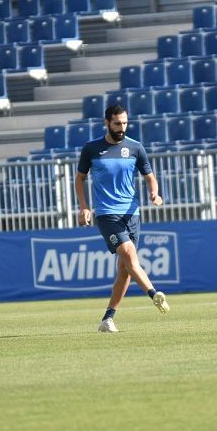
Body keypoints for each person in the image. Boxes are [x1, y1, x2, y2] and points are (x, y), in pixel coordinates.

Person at [75, 104, 169, 333]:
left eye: (125, 123)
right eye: (117, 123)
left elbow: (150, 177)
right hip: (107, 213)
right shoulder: (92, 149)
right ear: (106, 123)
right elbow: (79, 179)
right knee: (128, 253)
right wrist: (84, 207)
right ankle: (153, 293)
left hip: (132, 213)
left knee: (126, 268)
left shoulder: (135, 148)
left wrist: (154, 193)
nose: (122, 127)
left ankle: (108, 318)